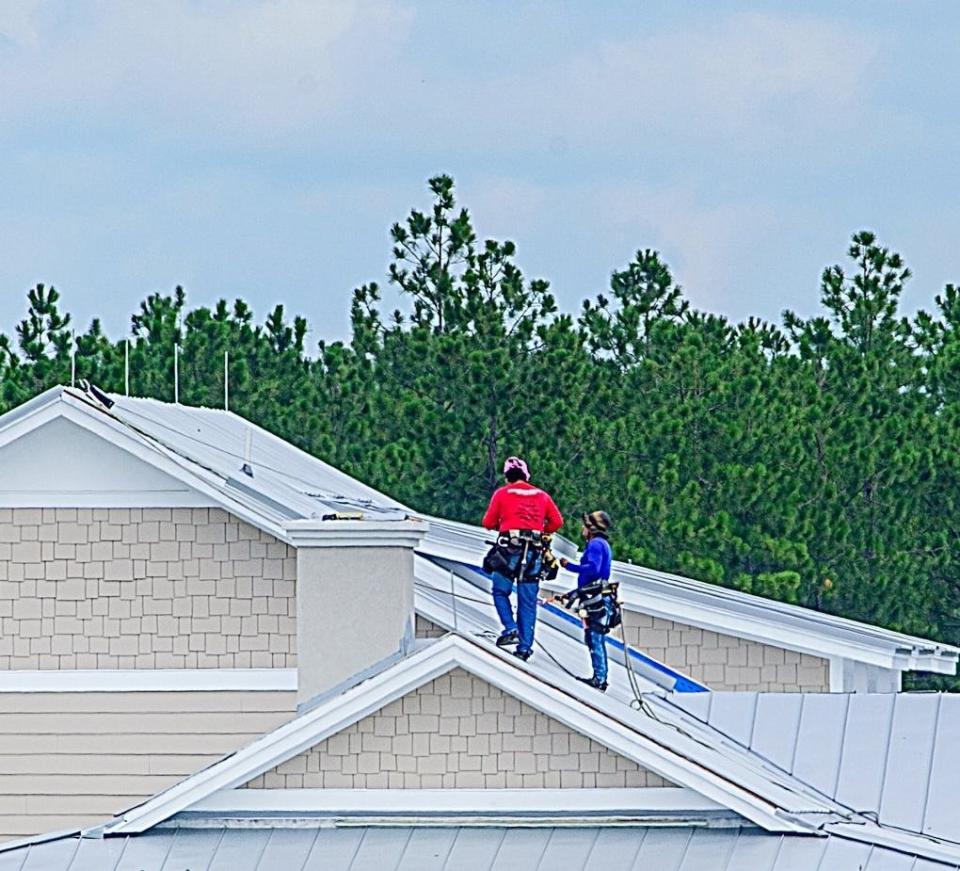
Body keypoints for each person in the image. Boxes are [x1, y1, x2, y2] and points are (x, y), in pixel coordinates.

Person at [481, 456, 563, 661]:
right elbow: (557, 522)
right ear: (526, 476)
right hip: (534, 552)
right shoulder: (541, 496)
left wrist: (505, 524)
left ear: (507, 477)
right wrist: (540, 529)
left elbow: (488, 522)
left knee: (500, 590)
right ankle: (525, 648)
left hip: (509, 549)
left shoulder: (502, 493)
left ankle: (510, 628)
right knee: (527, 601)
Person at [557, 510, 617, 691]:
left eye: (585, 525)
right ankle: (600, 676)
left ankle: (599, 678)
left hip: (596, 599)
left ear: (591, 528)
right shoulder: (602, 544)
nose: (582, 528)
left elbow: (592, 569)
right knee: (593, 636)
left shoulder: (596, 545)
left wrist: (570, 566)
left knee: (595, 636)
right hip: (595, 595)